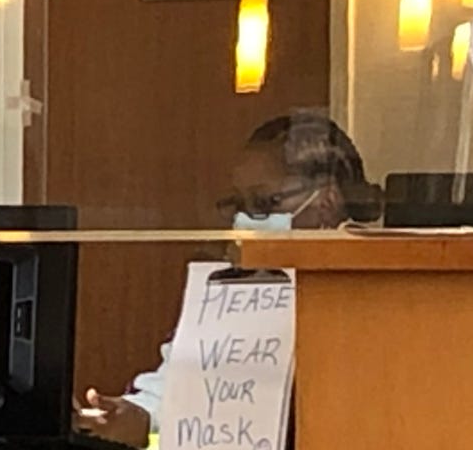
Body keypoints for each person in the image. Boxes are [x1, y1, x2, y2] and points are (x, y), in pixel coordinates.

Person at [72, 112, 381, 448]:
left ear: (326, 200)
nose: (245, 218)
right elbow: (178, 384)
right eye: (239, 204)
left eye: (264, 203)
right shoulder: (232, 290)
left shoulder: (374, 288)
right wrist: (133, 416)